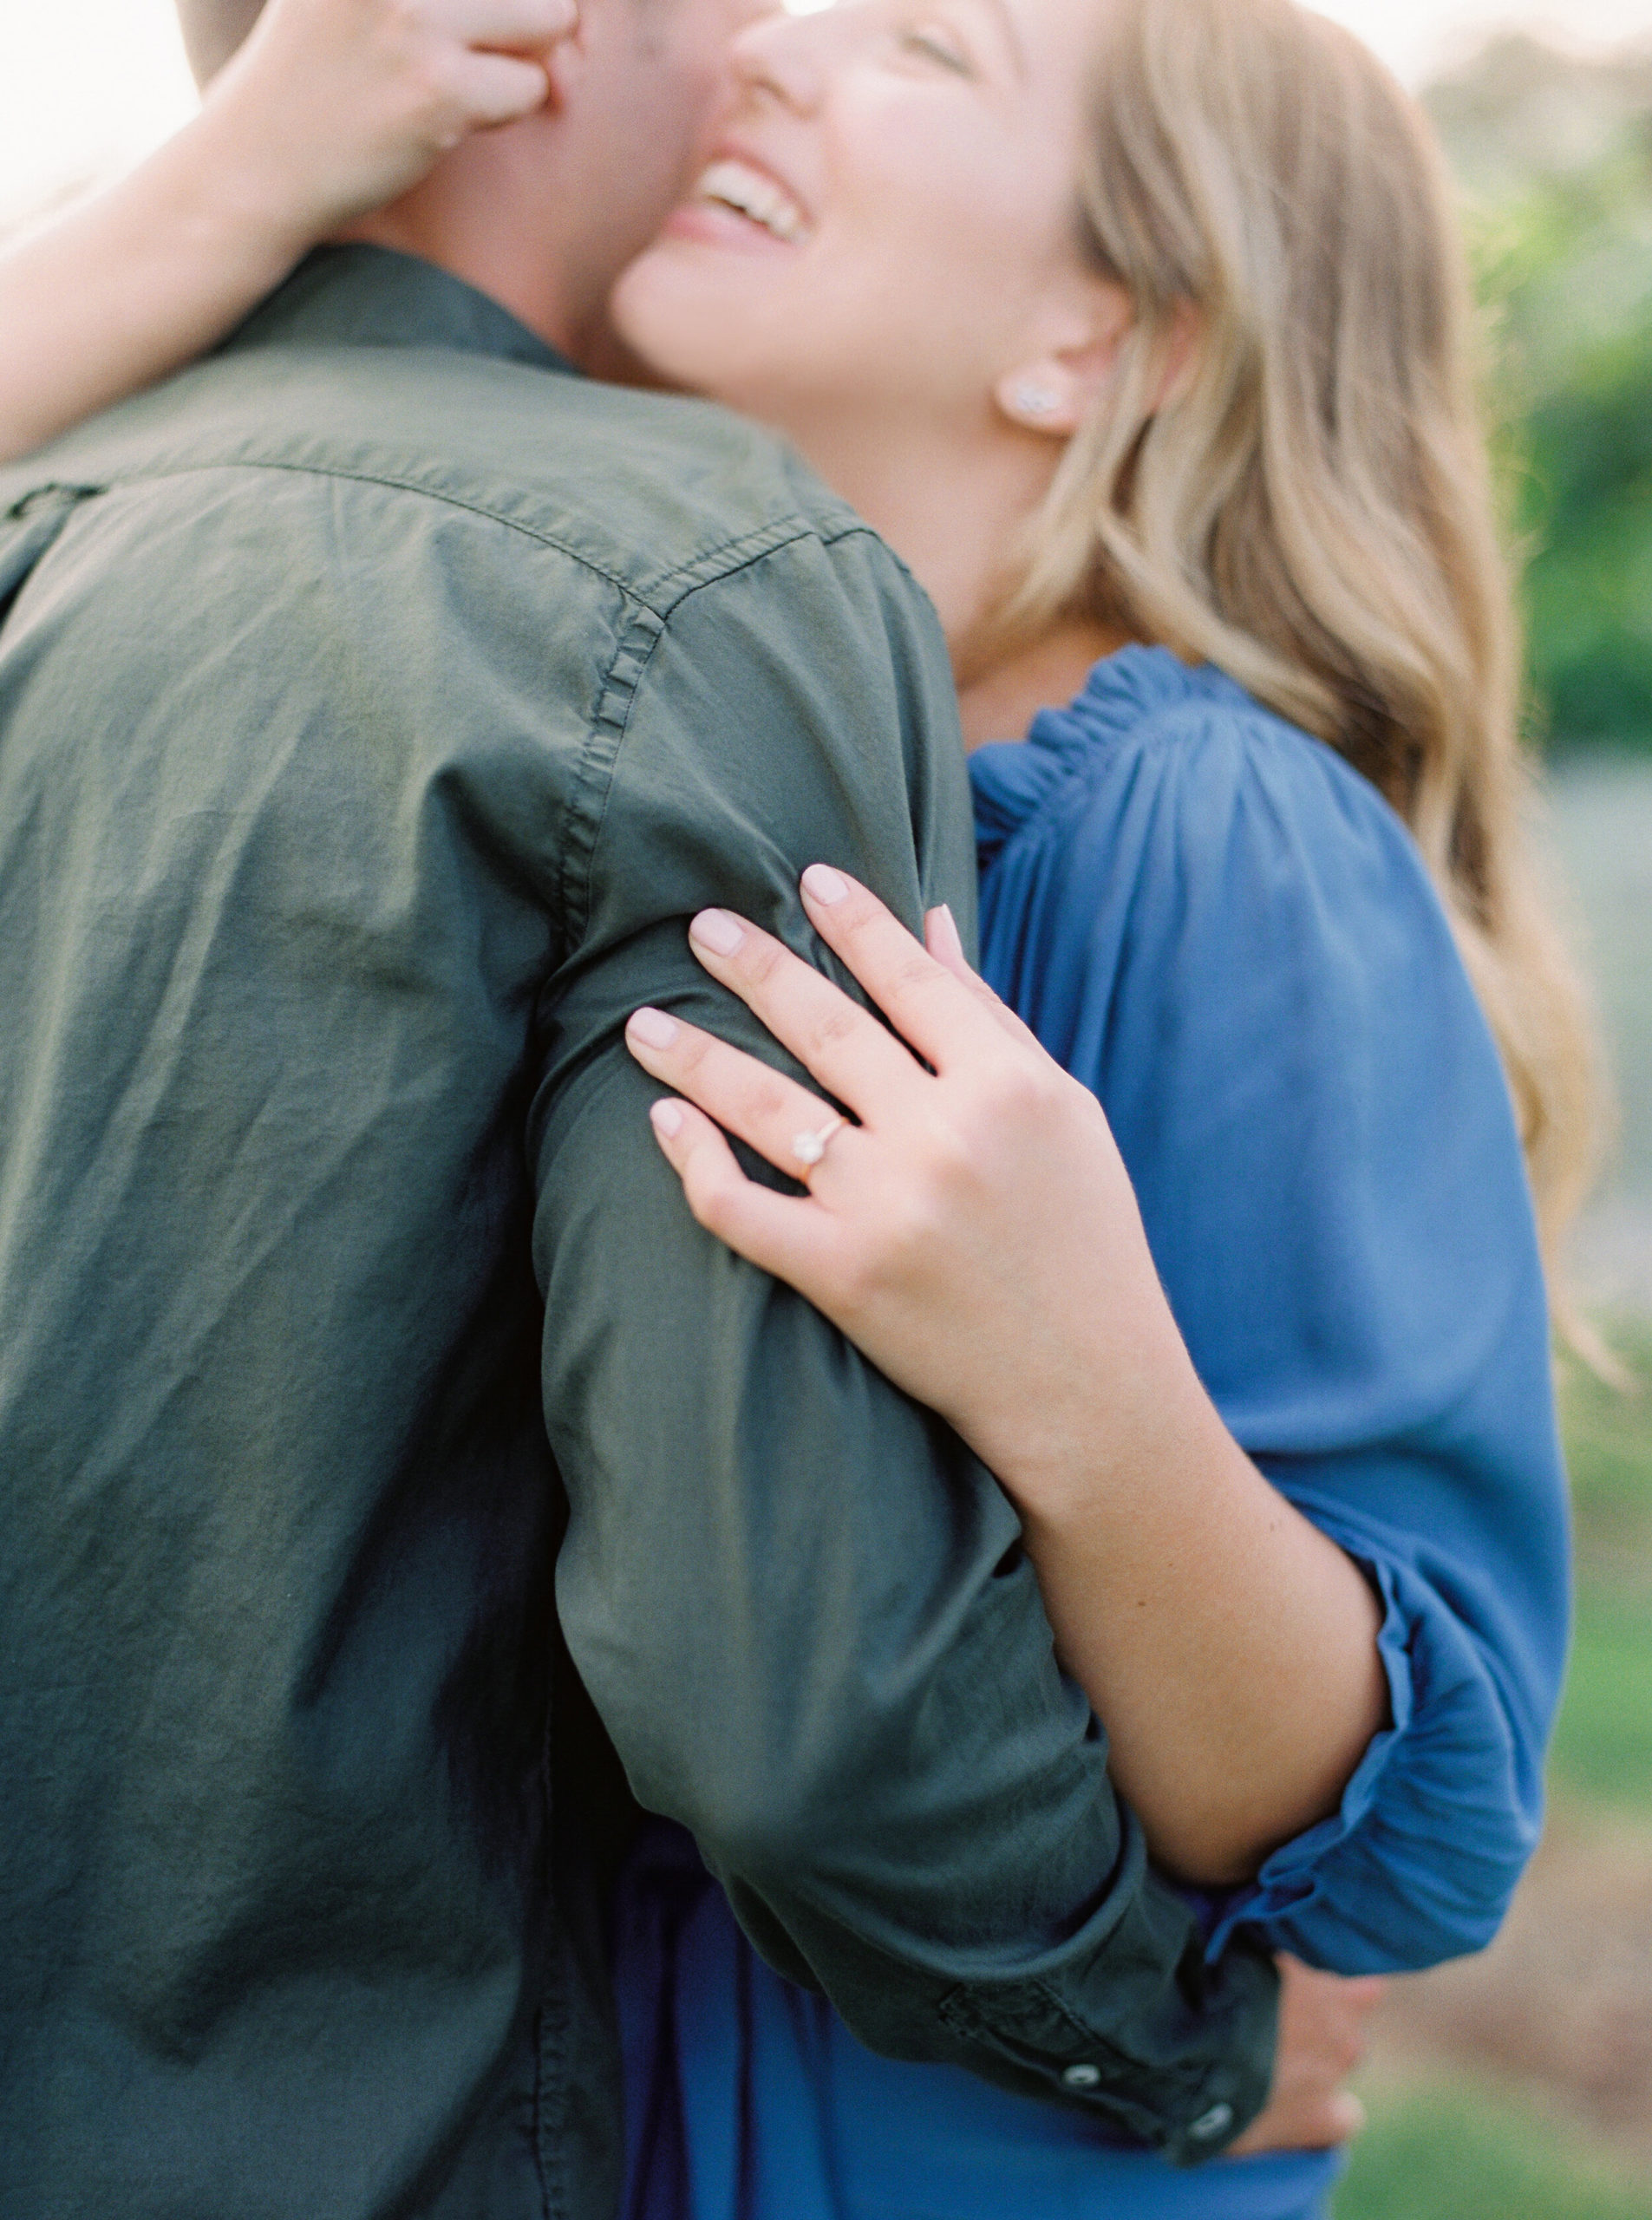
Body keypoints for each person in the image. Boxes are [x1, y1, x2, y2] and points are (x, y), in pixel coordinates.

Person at [0, 0, 1583, 2215]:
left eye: (917, 46)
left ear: (1098, 334)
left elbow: (1412, 1826)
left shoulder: (1203, 828)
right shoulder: (669, 730)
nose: (766, 54)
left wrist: (1084, 1377)